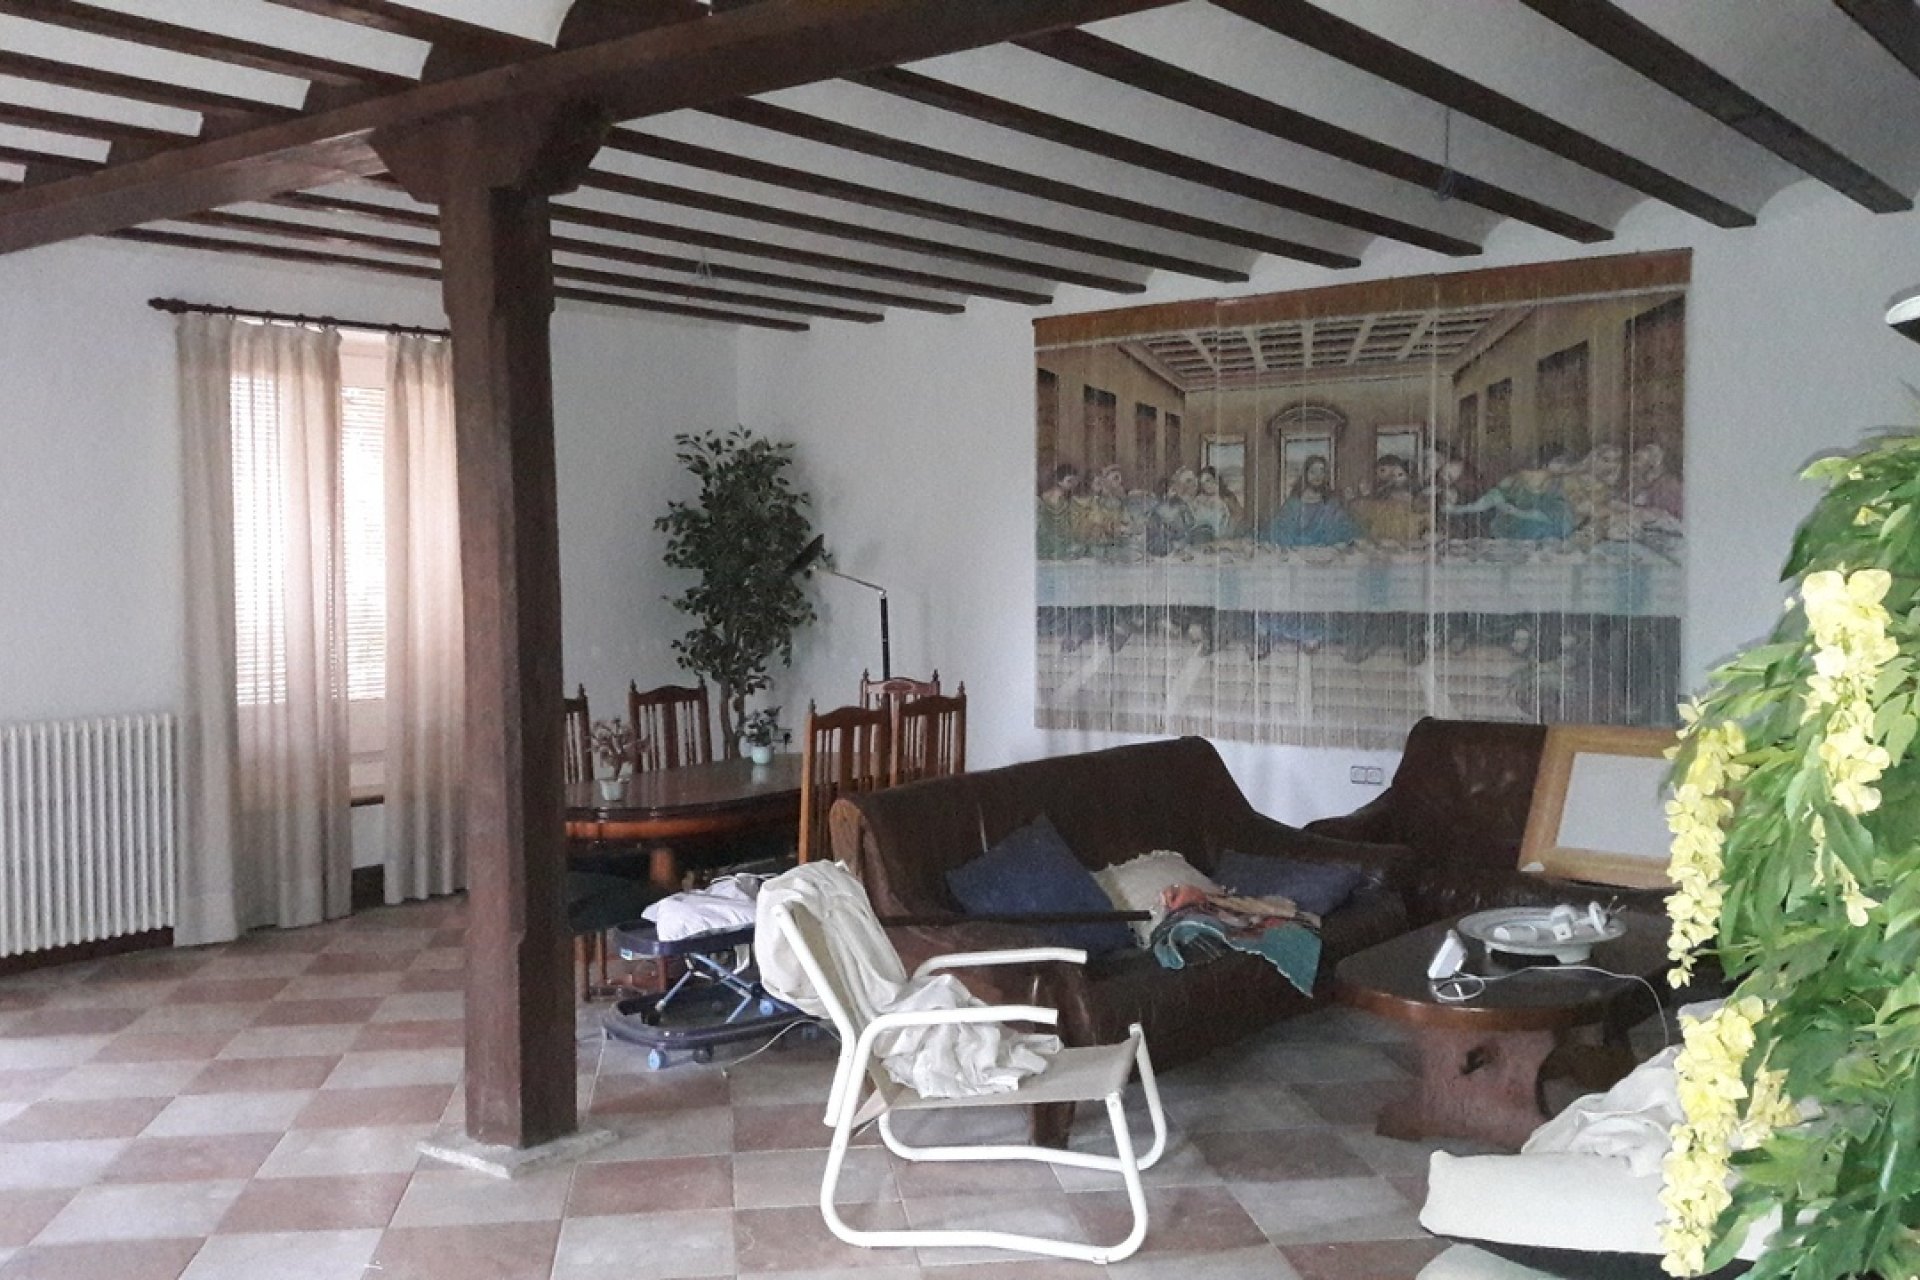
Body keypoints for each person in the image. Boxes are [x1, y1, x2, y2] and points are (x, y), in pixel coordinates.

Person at [1265, 455, 1361, 547]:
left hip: (1327, 553)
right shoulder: (1293, 504)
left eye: (1321, 472)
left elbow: (1345, 527)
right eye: (1313, 472)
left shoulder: (1331, 503)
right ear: (1305, 474)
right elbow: (1279, 530)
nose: (1317, 476)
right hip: (1297, 553)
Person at [1349, 454, 1427, 544]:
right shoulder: (1384, 487)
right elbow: (1377, 499)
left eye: (1383, 470)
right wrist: (1365, 495)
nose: (1379, 475)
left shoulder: (1409, 487)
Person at [1188, 466, 1238, 541]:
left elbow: (1236, 518)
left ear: (1215, 479)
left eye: (1208, 480)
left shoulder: (1227, 498)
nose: (1206, 485)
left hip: (1223, 537)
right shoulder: (1198, 500)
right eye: (1202, 483)